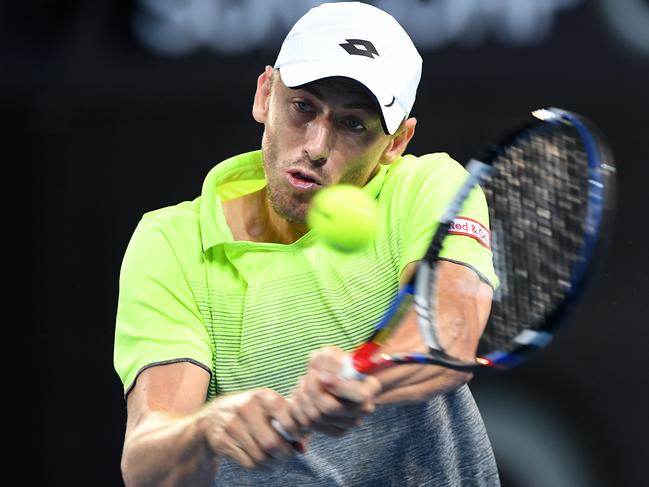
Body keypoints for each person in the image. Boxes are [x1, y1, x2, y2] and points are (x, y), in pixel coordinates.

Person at [114, 2, 500, 486]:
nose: (317, 146)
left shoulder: (430, 186)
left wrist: (363, 379)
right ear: (264, 94)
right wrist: (206, 429)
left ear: (397, 142)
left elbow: (447, 334)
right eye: (303, 107)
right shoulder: (170, 241)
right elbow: (146, 462)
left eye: (353, 124)